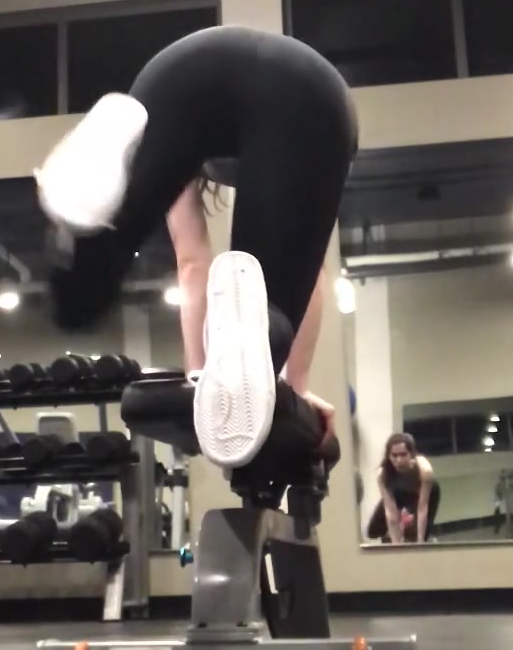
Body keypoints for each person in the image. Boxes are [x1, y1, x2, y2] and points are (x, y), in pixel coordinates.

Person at [35, 25, 357, 468]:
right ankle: (253, 344)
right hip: (308, 89)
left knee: (80, 299)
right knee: (260, 323)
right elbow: (312, 272)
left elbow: (192, 262)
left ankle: (76, 233)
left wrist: (197, 373)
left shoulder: (196, 145)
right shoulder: (298, 127)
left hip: (178, 72)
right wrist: (292, 386)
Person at [366, 431, 440, 544]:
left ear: (411, 454)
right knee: (373, 531)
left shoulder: (425, 471)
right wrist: (396, 544)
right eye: (394, 455)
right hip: (399, 492)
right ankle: (395, 535)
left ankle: (417, 536)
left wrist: (420, 541)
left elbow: (422, 508)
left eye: (403, 455)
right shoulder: (383, 474)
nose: (399, 460)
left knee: (415, 536)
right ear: (388, 456)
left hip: (422, 493)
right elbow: (390, 512)